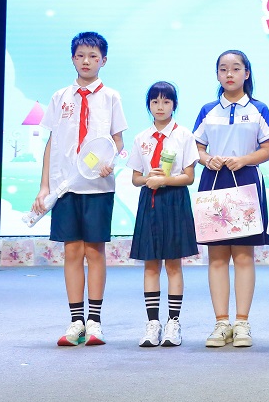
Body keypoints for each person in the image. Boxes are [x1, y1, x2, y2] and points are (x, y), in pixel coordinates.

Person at [32, 31, 126, 347]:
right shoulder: (60, 97)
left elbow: (118, 142)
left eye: (93, 56)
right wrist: (44, 186)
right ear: (73, 58)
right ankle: (76, 322)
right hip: (64, 188)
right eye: (81, 55)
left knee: (94, 251)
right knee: (72, 251)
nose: (86, 61)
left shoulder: (111, 97)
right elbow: (51, 143)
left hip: (98, 187)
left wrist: (111, 162)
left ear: (103, 60)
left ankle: (95, 321)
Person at [193, 50, 269, 348]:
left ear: (246, 73)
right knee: (217, 257)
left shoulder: (259, 109)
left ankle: (242, 323)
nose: (229, 74)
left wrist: (244, 160)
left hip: (246, 181)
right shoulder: (208, 110)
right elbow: (196, 148)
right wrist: (207, 159)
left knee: (243, 256)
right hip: (214, 182)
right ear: (217, 74)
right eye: (223, 69)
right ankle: (221, 323)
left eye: (236, 68)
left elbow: (268, 149)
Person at [128, 81, 199, 347]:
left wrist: (165, 180)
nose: (160, 107)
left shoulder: (184, 136)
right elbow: (135, 178)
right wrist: (150, 178)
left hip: (175, 200)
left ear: (174, 105)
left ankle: (173, 323)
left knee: (173, 264)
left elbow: (189, 177)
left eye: (166, 101)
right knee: (150, 264)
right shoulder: (141, 138)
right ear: (149, 105)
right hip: (150, 200)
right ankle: (152, 324)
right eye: (155, 102)